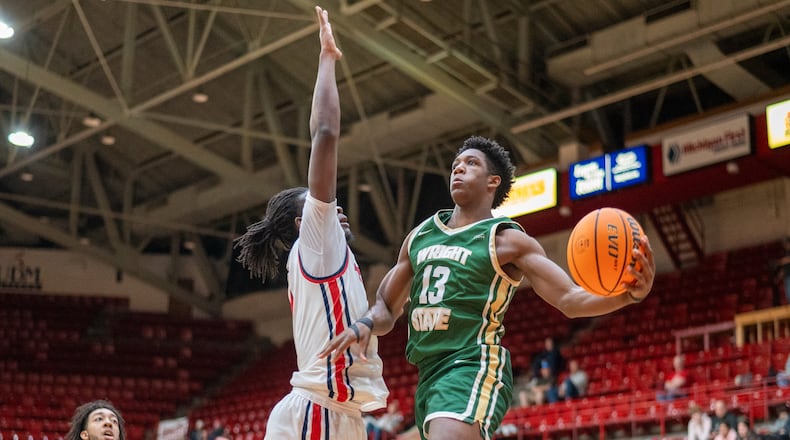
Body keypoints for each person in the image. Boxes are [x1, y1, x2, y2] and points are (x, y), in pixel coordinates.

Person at [319, 135, 656, 440]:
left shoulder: (507, 240)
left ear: (492, 182)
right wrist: (364, 324)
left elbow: (568, 297)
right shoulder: (420, 236)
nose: (458, 169)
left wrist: (626, 294)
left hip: (473, 364)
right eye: (455, 165)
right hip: (428, 374)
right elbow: (386, 308)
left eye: (471, 164)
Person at [233, 6, 387, 439]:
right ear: (305, 221)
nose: (335, 209)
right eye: (321, 205)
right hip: (317, 411)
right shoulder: (317, 242)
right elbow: (325, 133)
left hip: (337, 413)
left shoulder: (328, 255)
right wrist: (326, 60)